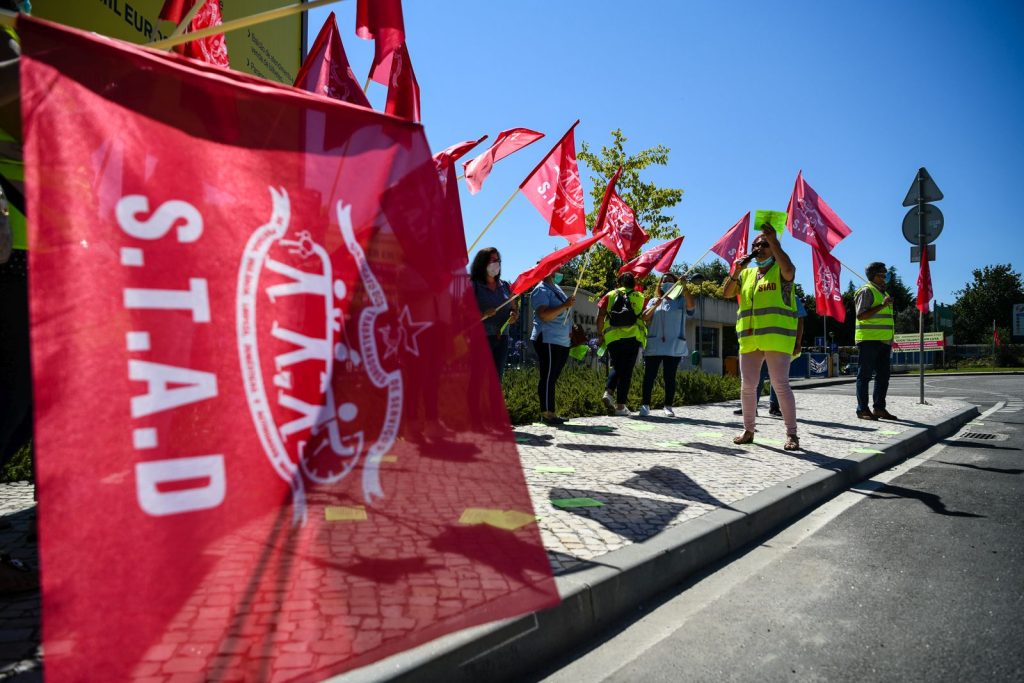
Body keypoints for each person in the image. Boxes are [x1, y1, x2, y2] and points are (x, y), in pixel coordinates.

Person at [722, 226, 801, 450]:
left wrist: (774, 241)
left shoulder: (781, 270)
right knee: (747, 386)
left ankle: (792, 434)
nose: (759, 248)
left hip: (776, 339)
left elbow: (790, 269)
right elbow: (726, 293)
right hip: (749, 340)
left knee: (780, 385)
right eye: (756, 245)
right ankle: (748, 430)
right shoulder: (746, 274)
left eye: (764, 244)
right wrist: (736, 271)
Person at [733, 296, 806, 416]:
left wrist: (798, 342)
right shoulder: (760, 291)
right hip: (759, 342)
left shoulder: (791, 295)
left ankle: (774, 407)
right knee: (755, 377)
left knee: (778, 379)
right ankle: (751, 408)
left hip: (779, 343)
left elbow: (800, 320)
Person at [639, 273, 695, 417]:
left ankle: (668, 406)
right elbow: (645, 317)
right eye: (664, 281)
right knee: (649, 376)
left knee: (669, 377)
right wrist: (654, 306)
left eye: (671, 281)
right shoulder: (653, 300)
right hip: (655, 345)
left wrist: (685, 288)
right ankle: (645, 405)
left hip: (674, 346)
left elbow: (691, 307)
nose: (667, 283)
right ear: (660, 285)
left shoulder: (681, 300)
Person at [596, 272, 646, 416]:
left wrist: (600, 335)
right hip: (632, 337)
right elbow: (645, 316)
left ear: (618, 283)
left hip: (612, 337)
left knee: (616, 365)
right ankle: (620, 406)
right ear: (633, 284)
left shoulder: (610, 295)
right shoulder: (640, 296)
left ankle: (608, 392)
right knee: (626, 372)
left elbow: (600, 316)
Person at [530, 271, 576, 425]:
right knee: (548, 376)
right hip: (548, 338)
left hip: (562, 340)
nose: (558, 270)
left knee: (553, 377)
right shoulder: (541, 289)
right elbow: (544, 315)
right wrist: (565, 305)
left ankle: (551, 411)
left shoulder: (556, 288)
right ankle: (547, 413)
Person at [854, 262, 897, 420]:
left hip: (884, 341)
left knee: (883, 376)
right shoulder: (866, 291)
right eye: (882, 274)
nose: (885, 277)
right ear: (874, 276)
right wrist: (882, 305)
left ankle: (879, 408)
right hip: (869, 340)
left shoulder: (882, 292)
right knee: (864, 376)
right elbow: (861, 315)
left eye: (886, 274)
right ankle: (862, 410)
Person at [471, 247, 518, 381]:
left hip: (501, 338)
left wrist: (513, 315)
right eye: (492, 260)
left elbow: (513, 309)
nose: (496, 263)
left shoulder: (505, 286)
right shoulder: (473, 285)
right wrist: (482, 313)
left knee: (496, 380)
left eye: (498, 260)